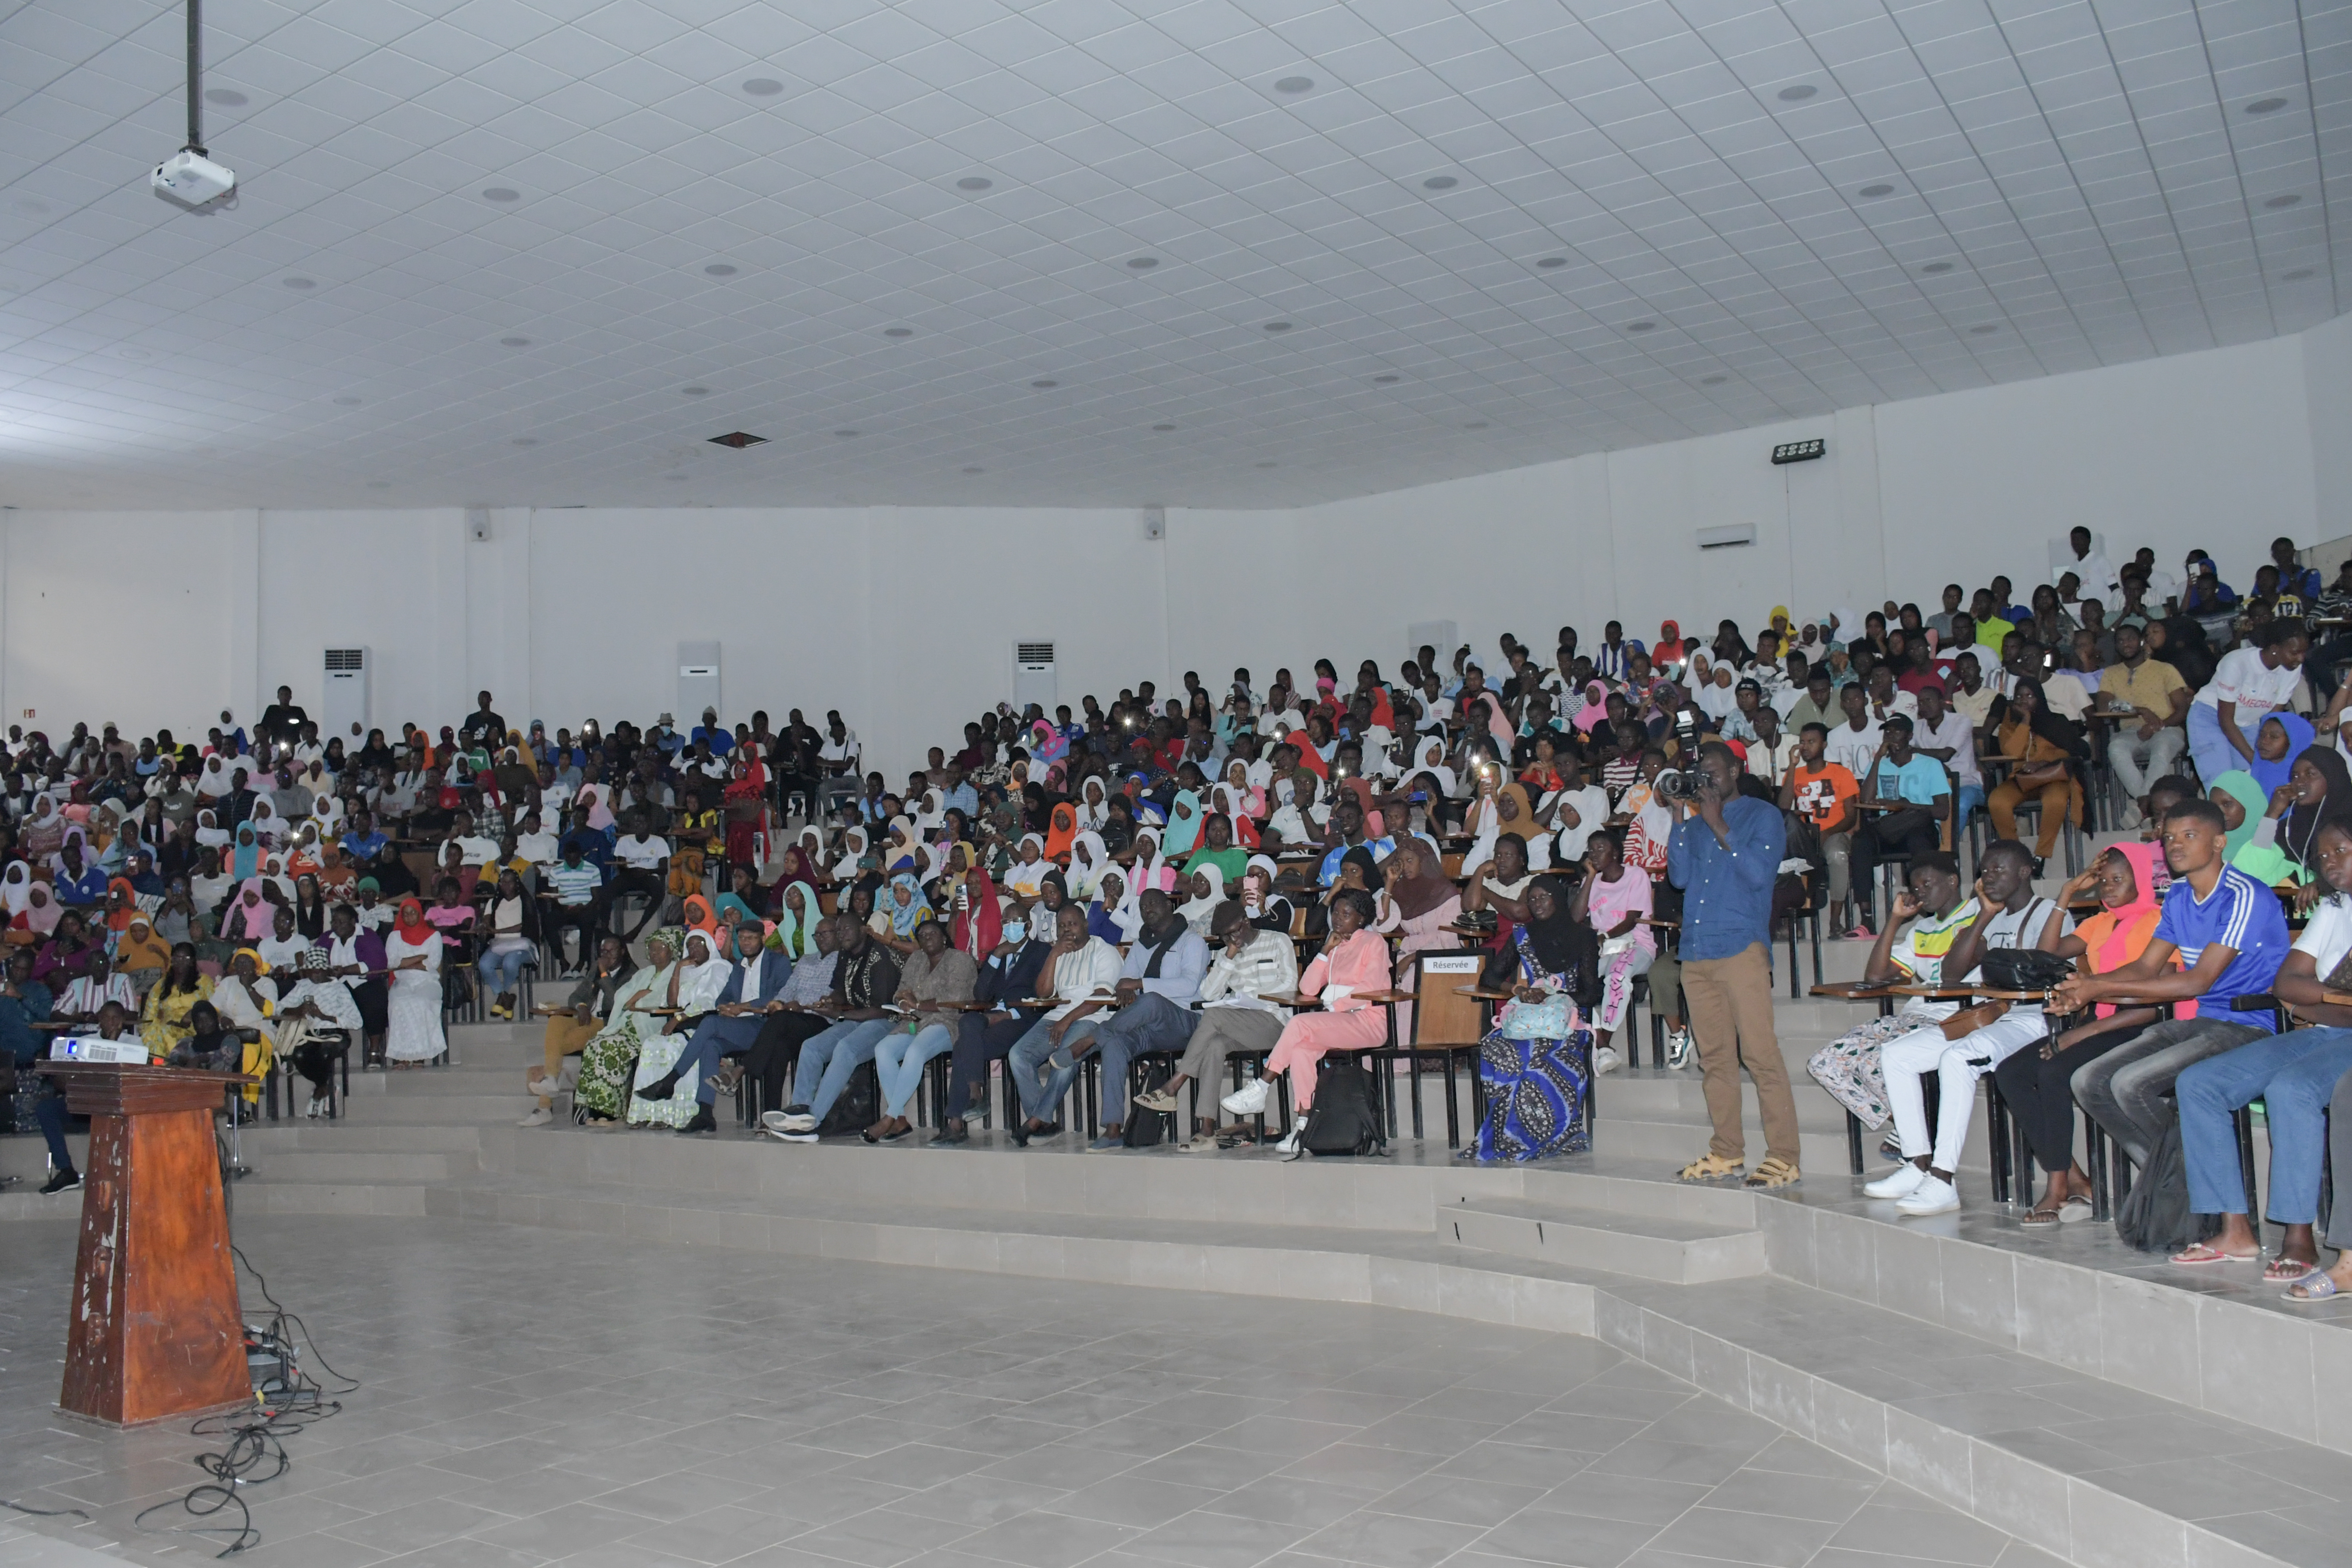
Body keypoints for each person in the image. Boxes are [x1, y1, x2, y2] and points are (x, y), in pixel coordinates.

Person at [2061, 798, 2291, 1173]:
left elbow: (2197, 982)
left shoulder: (2242, 894)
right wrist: (2086, 985)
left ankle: (2189, 1179)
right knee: (2088, 1081)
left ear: (2218, 843)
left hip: (2250, 1026)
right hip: (2202, 1024)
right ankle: (2170, 1179)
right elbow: (2144, 967)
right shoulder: (2179, 895)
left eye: (2189, 836)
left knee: (2131, 1085)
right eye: (2168, 838)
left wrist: (2095, 990)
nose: (2175, 846)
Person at [2176, 817, 2352, 1283]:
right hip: (2321, 1031)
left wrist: (2320, 994)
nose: (2332, 862)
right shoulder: (2334, 909)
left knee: (2291, 1089)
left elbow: (2303, 988)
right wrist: (2332, 994)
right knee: (2200, 1083)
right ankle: (2235, 1229)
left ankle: (2299, 1233)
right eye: (2325, 855)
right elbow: (2286, 982)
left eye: (2343, 850)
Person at [1865, 841, 2072, 1217]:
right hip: (1995, 1015)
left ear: (2024, 872)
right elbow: (1950, 974)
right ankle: (1917, 1164)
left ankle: (1943, 1180)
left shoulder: (2047, 912)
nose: (1988, 878)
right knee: (1896, 1055)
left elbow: (2045, 966)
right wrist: (1983, 918)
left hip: (2036, 1019)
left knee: (1958, 1059)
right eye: (1985, 871)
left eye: (1998, 870)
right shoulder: (1989, 916)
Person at [1988, 843, 2169, 1224]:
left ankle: (2057, 1186)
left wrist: (2077, 1035)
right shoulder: (2101, 922)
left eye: (2117, 880)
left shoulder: (2157, 921)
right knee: (2010, 1072)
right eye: (2102, 881)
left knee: (2053, 1072)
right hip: (2098, 1020)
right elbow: (2044, 954)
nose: (2106, 889)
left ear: (2140, 879)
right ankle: (2072, 1176)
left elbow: (2152, 1003)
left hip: (2138, 1025)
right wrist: (2068, 893)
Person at [1668, 742, 1800, 1188]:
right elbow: (1679, 878)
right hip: (1697, 952)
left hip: (1741, 948)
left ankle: (1784, 1156)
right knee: (1716, 1060)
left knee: (1760, 1055)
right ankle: (1727, 1152)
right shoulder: (1694, 823)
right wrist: (1678, 818)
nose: (1706, 781)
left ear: (1736, 770)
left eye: (1714, 773)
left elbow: (1762, 874)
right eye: (1700, 774)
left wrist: (1717, 822)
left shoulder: (1761, 815)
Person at [1806, 852, 1977, 1135]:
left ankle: (1914, 1135)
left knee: (1874, 1062)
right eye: (1915, 887)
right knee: (1825, 1063)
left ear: (1953, 881)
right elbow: (1874, 976)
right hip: (1916, 1015)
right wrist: (1895, 920)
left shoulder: (1977, 916)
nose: (1920, 892)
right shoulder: (1922, 929)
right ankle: (1911, 1127)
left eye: (1927, 884)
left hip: (1954, 1017)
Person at [1219, 885, 1389, 1154]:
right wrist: (1324, 951)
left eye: (1347, 914)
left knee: (1299, 1024)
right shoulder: (1335, 945)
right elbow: (1309, 988)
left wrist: (1334, 1000)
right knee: (1300, 1050)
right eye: (1336, 913)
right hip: (1339, 1021)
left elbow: (1372, 989)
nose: (1338, 919)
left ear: (1362, 919)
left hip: (1368, 1021)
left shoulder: (1373, 942)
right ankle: (1304, 1125)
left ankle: (1261, 1086)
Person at [1134, 899, 1299, 1146]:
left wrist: (1249, 998)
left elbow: (1289, 986)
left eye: (1233, 933)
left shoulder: (1278, 941)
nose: (1231, 940)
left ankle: (1173, 1087)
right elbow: (1209, 995)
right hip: (1240, 1025)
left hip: (1275, 1023)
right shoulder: (1226, 953)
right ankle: (1208, 1129)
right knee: (1215, 1046)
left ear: (1246, 921)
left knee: (1214, 1015)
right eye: (1224, 937)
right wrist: (1229, 957)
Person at [1470, 873, 1596, 1160]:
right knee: (1496, 1048)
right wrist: (1518, 989)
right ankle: (1505, 1137)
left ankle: (1541, 1137)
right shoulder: (1523, 936)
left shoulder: (1583, 937)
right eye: (1532, 899)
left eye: (1543, 897)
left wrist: (1555, 996)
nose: (1537, 903)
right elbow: (1488, 977)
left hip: (1568, 1022)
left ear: (1558, 899)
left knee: (1537, 1061)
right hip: (1530, 1019)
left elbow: (1592, 992)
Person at [634, 919, 797, 1131]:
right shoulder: (738, 966)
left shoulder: (779, 962)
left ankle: (670, 1081)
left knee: (710, 1023)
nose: (746, 943)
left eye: (751, 938)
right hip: (740, 1026)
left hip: (767, 1026)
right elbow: (723, 996)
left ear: (763, 939)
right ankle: (705, 1114)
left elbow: (778, 996)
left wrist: (742, 1006)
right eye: (742, 939)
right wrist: (725, 1006)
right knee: (711, 1044)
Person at [1078, 885, 1209, 1146]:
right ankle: (1113, 1129)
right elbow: (1123, 981)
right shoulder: (1141, 945)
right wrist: (1127, 991)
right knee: (1115, 1046)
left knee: (1150, 1000)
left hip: (1187, 1021)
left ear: (1169, 907)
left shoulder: (1192, 941)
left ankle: (1093, 1038)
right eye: (1143, 907)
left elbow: (1189, 985)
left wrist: (1139, 986)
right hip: (1151, 1028)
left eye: (1153, 904)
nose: (1147, 909)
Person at [762, 912, 901, 1141]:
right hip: (855, 1018)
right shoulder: (846, 955)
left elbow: (883, 1009)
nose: (842, 934)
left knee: (846, 1050)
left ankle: (812, 1122)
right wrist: (830, 1001)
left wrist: (839, 1014)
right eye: (839, 930)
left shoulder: (880, 957)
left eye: (847, 929)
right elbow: (840, 991)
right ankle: (799, 1110)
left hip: (884, 1022)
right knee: (812, 1047)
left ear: (863, 930)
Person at [865, 916, 980, 1142]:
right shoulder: (916, 959)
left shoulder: (960, 960)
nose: (927, 939)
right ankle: (900, 1120)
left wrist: (916, 1003)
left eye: (932, 934)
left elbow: (952, 1000)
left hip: (949, 1023)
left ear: (945, 938)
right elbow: (901, 990)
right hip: (915, 1021)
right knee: (883, 1050)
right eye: (922, 936)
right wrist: (902, 1003)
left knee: (915, 1052)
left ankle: (889, 1118)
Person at [1847, 714, 1949, 938]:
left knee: (1918, 831)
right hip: (1887, 832)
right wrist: (1876, 761)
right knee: (1861, 842)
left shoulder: (1930, 765)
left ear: (1910, 736)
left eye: (1896, 732)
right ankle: (1866, 920)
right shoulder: (1879, 765)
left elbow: (1943, 811)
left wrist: (1906, 806)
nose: (1891, 737)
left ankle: (1931, 914)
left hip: (1919, 830)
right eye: (1887, 732)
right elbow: (1865, 801)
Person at [521, 934, 635, 1125]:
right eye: (603, 951)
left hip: (606, 1024)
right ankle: (550, 1079)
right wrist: (582, 1006)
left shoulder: (631, 974)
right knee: (556, 1020)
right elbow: (575, 996)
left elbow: (616, 1002)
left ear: (623, 951)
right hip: (586, 1018)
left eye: (612, 950)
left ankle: (544, 1106)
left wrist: (604, 974)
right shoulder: (595, 970)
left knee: (557, 1046)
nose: (607, 955)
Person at [625, 928, 731, 1129]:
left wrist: (678, 1019)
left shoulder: (719, 967)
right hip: (682, 1022)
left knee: (672, 1047)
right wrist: (678, 969)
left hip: (705, 1024)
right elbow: (671, 1001)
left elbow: (709, 1001)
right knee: (651, 1044)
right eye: (690, 945)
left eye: (699, 944)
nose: (694, 949)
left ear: (709, 946)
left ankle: (671, 1114)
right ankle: (648, 1112)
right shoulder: (686, 970)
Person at [2188, 619, 2309, 785]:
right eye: (2295, 653)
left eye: (2303, 653)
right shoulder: (2237, 663)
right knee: (2222, 781)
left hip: (2251, 724)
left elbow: (2272, 717)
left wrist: (2263, 760)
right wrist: (2254, 759)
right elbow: (2226, 720)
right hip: (2210, 718)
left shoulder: (2291, 670)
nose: (2301, 659)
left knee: (2254, 783)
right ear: (2275, 649)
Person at [1984, 678, 2087, 875]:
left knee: (2056, 800)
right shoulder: (2010, 723)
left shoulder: (2056, 721)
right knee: (1997, 801)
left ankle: (2040, 857)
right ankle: (2018, 854)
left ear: (2039, 698)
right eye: (2020, 696)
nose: (2024, 700)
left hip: (2052, 777)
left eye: (2030, 696)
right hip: (2022, 779)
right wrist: (2025, 722)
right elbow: (2011, 751)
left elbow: (2068, 753)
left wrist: (2043, 763)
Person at [1572, 829, 1650, 1073]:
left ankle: (1603, 1039)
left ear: (1616, 853)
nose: (1594, 854)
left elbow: (1632, 920)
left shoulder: (1636, 876)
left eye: (1600, 849)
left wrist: (1603, 937)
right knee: (1573, 977)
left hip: (1636, 944)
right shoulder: (1592, 880)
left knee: (1617, 976)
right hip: (1603, 949)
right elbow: (1576, 917)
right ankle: (1594, 1045)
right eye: (1591, 849)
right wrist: (1590, 877)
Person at [2096, 623, 2189, 826]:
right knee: (2116, 747)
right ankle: (2147, 804)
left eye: (2130, 638)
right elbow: (2103, 705)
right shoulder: (2111, 673)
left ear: (2141, 641)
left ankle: (2142, 805)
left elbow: (2183, 709)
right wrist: (2138, 710)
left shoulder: (2164, 669)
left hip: (2167, 728)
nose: (2125, 644)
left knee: (2162, 748)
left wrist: (2158, 725)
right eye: (2120, 641)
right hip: (2131, 732)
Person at [1785, 723, 1861, 935]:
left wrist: (1826, 834)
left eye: (1812, 742)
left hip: (1834, 833)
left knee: (1837, 856)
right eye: (1802, 742)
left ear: (1824, 744)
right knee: (1785, 860)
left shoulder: (1841, 773)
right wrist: (1792, 766)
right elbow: (1783, 808)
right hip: (1804, 836)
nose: (1805, 747)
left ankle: (1835, 920)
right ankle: (1794, 922)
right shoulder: (1796, 774)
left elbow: (1851, 816)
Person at [382, 898, 446, 1066]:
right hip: (403, 981)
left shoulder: (434, 936)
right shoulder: (394, 937)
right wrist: (420, 957)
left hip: (428, 982)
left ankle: (419, 1054)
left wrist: (404, 963)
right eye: (406, 914)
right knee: (398, 1004)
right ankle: (401, 1054)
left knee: (420, 1002)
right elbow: (391, 964)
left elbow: (432, 965)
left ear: (420, 914)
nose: (410, 918)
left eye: (413, 913)